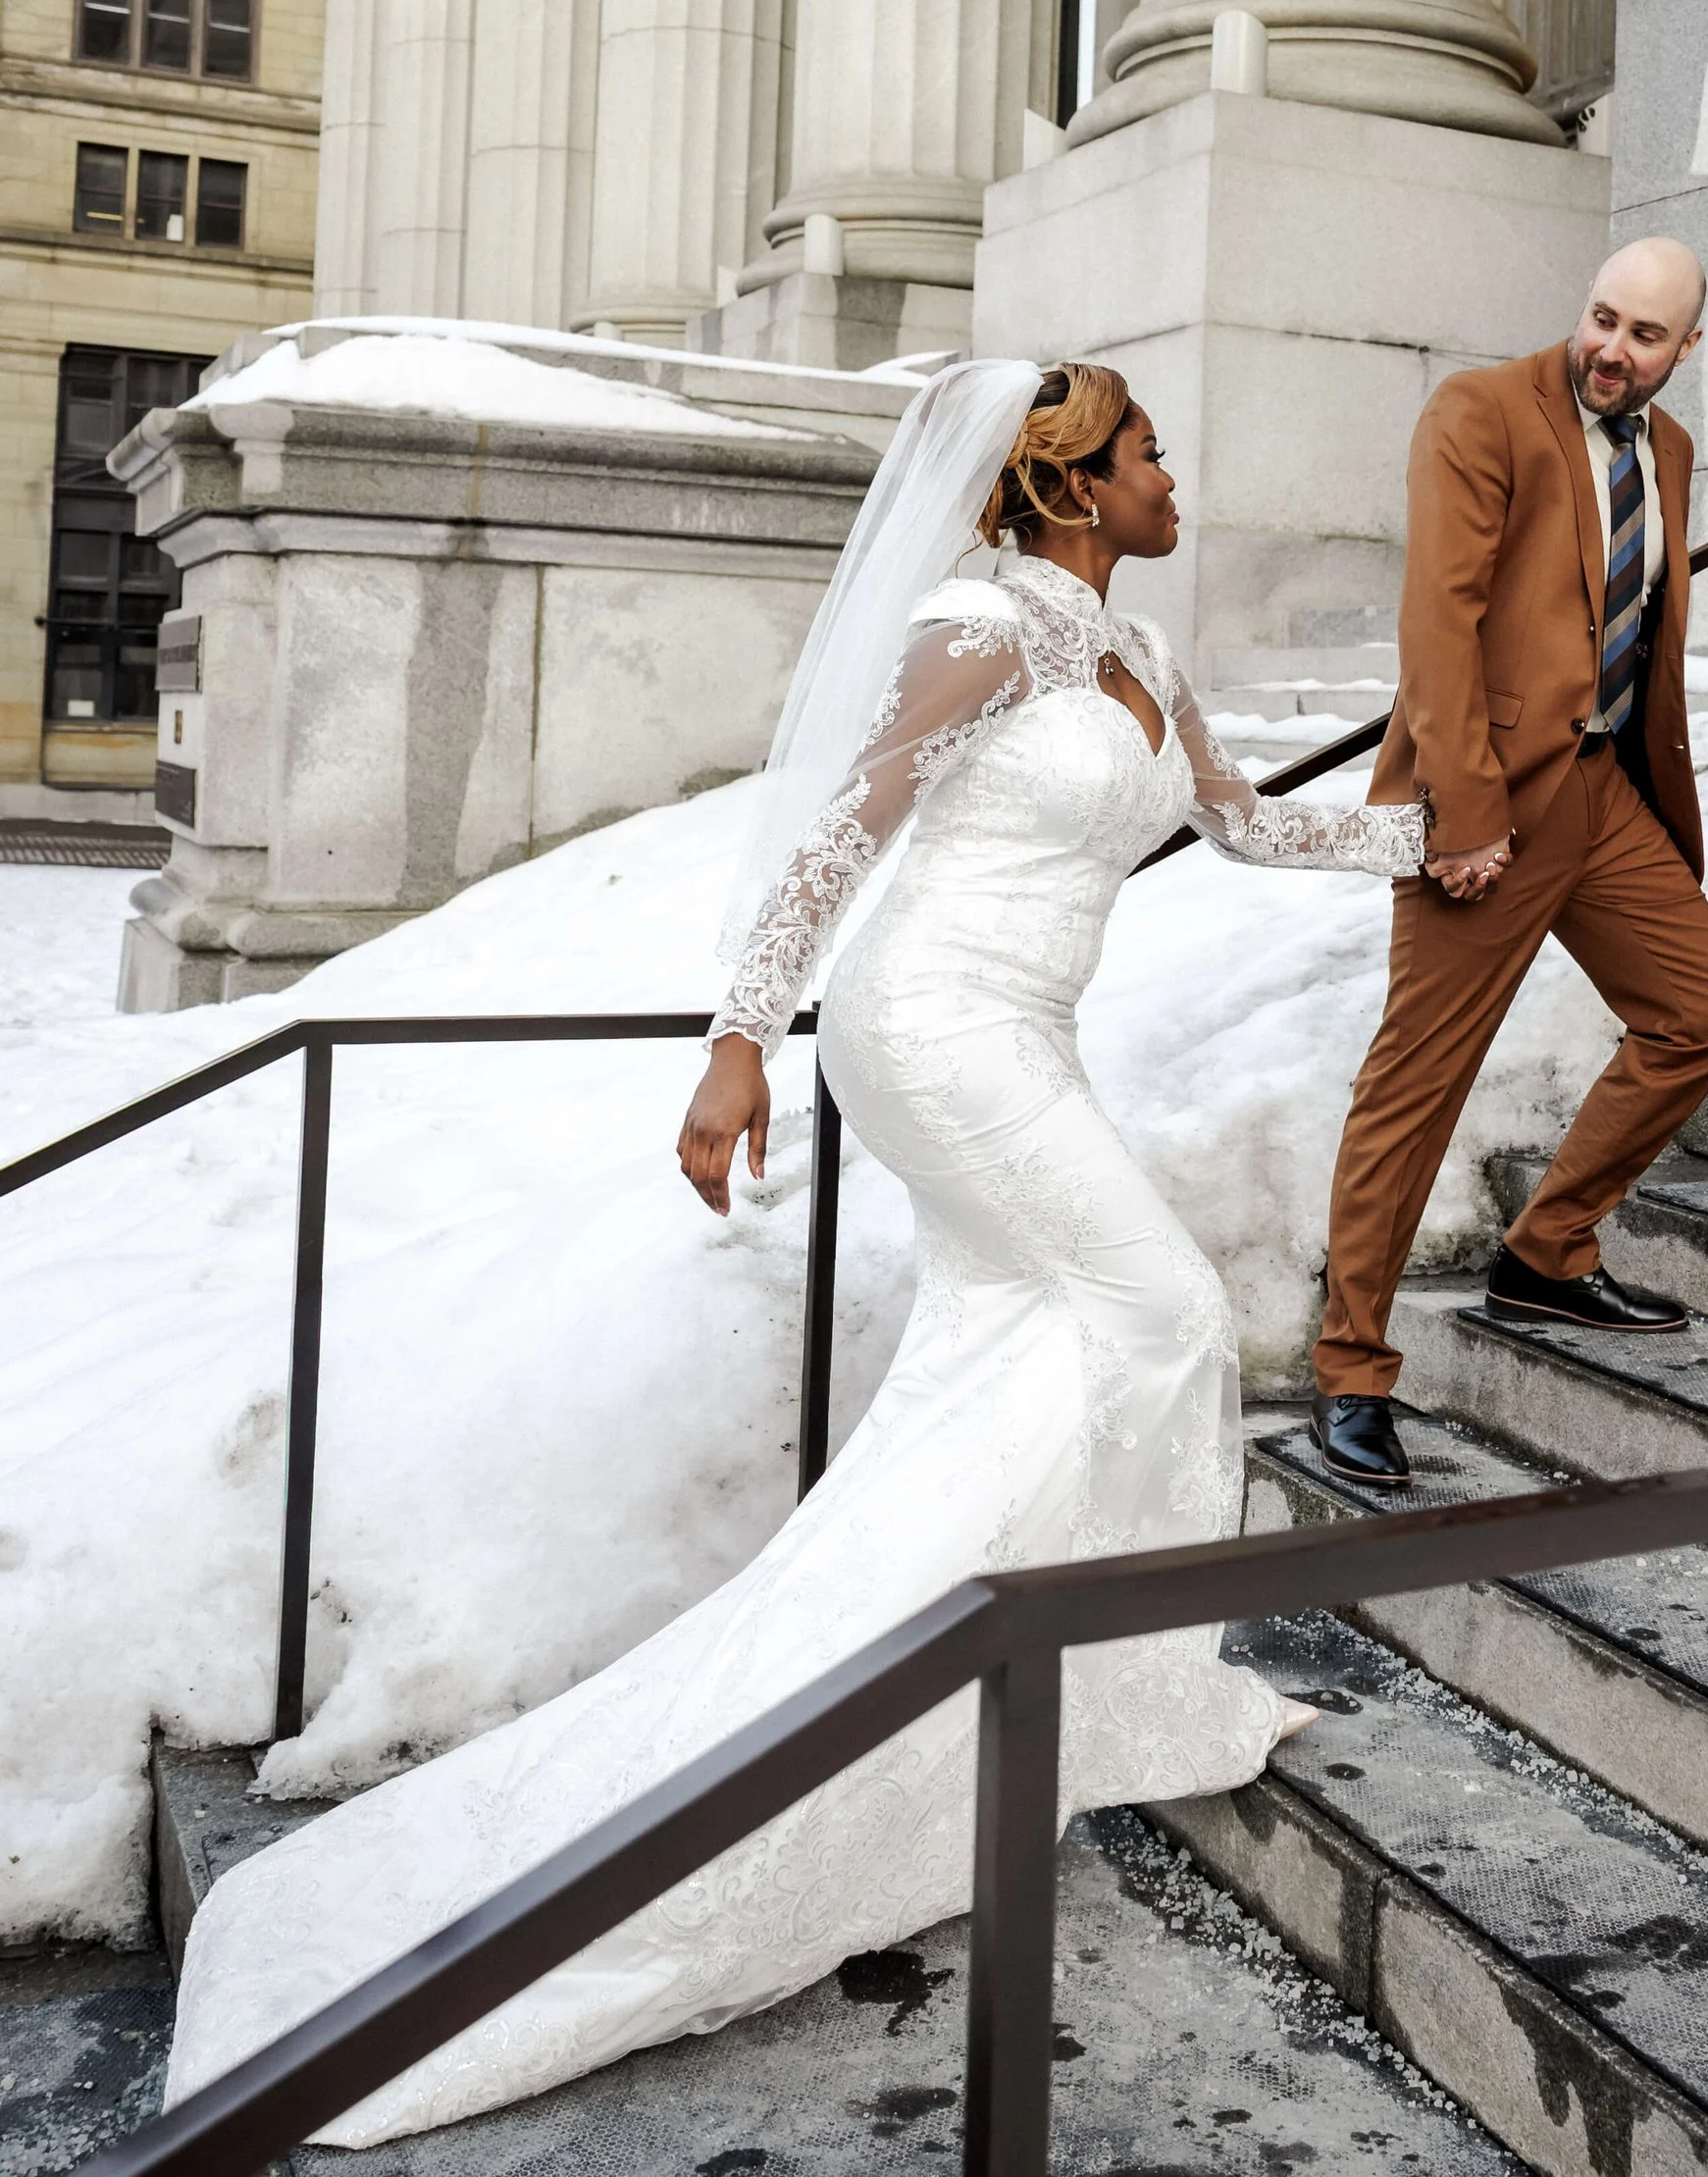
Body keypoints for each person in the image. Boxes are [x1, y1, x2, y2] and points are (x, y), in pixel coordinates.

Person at [165, 359, 1422, 2146]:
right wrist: (742, 1038)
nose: (1172, 474)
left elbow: (1235, 821)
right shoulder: (983, 625)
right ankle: (1019, 1671)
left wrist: (1427, 842)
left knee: (1029, 1352)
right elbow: (847, 825)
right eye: (1146, 451)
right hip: (933, 1026)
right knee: (1156, 1313)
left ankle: (1001, 1662)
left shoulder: (1139, 656)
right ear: (1067, 487)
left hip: (1027, 1037)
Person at [1309, 237, 1708, 1486]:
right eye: (1602, 318)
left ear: (1687, 348)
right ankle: (1349, 1370)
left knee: (1703, 1010)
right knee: (1418, 1084)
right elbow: (1439, 622)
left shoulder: (1664, 452)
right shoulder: (1481, 411)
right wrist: (1462, 811)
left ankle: (1547, 1252)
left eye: (1646, 335)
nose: (1613, 349)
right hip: (1489, 800)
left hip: (1606, 790)